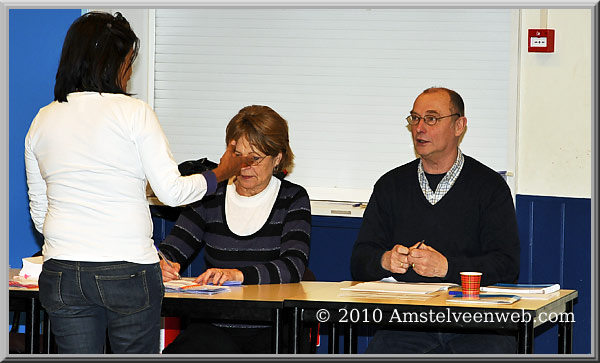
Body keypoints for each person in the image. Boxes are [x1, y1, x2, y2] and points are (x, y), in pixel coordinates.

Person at [24, 11, 249, 354]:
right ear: (111, 62)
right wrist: (220, 172)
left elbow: (41, 213)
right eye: (129, 62)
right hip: (127, 271)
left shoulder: (42, 119)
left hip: (62, 271)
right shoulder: (134, 113)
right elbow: (172, 192)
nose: (129, 74)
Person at [350, 87, 520, 354]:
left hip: (477, 323)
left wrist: (447, 267)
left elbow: (507, 265)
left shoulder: (490, 187)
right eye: (414, 119)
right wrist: (385, 260)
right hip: (406, 323)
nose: (419, 128)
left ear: (459, 125)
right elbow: (359, 260)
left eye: (431, 118)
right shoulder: (390, 185)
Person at [158, 105, 311, 354]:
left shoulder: (292, 198)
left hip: (272, 327)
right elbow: (172, 249)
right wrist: (161, 264)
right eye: (238, 156)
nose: (245, 166)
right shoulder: (211, 195)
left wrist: (236, 275)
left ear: (278, 158)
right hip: (213, 326)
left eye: (256, 158)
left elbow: (293, 266)